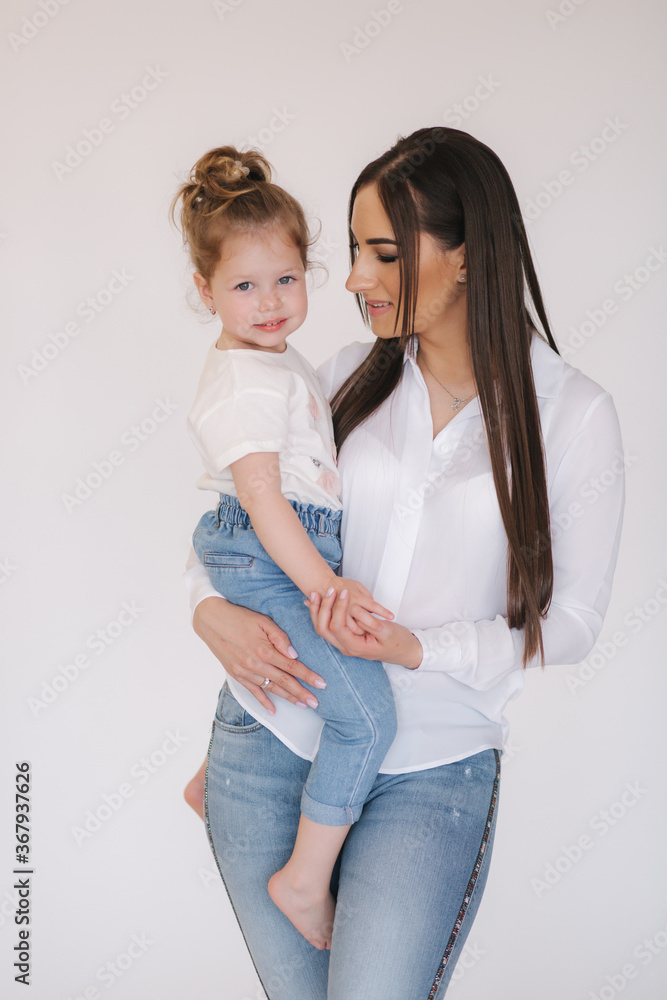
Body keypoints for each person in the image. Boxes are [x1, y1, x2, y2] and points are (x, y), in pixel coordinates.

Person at [183, 127, 625, 999]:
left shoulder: (570, 414)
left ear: (466, 256)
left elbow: (571, 624)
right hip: (268, 742)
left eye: (382, 253)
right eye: (351, 251)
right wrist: (205, 608)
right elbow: (245, 512)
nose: (350, 279)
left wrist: (421, 650)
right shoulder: (345, 375)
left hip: (432, 766)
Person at [172, 146, 400, 951]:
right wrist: (322, 586)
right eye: (242, 285)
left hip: (272, 547)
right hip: (271, 548)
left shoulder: (276, 361)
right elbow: (262, 499)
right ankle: (304, 881)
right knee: (366, 719)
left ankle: (213, 774)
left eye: (284, 280)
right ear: (205, 291)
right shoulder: (243, 380)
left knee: (299, 676)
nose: (268, 302)